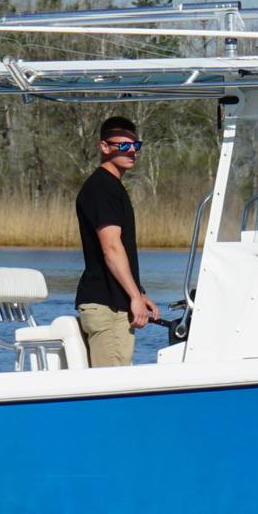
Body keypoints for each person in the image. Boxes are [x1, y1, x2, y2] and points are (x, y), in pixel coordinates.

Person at [74, 116, 156, 367]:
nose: (131, 150)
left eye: (135, 145)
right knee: (111, 386)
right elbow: (111, 247)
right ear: (104, 147)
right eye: (123, 145)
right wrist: (134, 296)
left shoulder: (112, 187)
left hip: (113, 305)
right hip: (106, 308)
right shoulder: (102, 188)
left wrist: (139, 294)